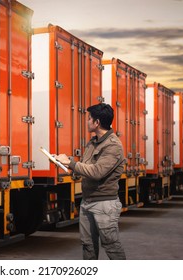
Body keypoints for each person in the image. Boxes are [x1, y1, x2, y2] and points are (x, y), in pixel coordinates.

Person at [55, 103, 126, 260]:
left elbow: (97, 172)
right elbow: (86, 167)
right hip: (87, 201)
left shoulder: (113, 145)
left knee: (111, 246)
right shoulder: (92, 142)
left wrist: (71, 163)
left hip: (104, 204)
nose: (86, 121)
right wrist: (66, 163)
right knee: (88, 246)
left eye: (89, 118)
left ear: (97, 122)